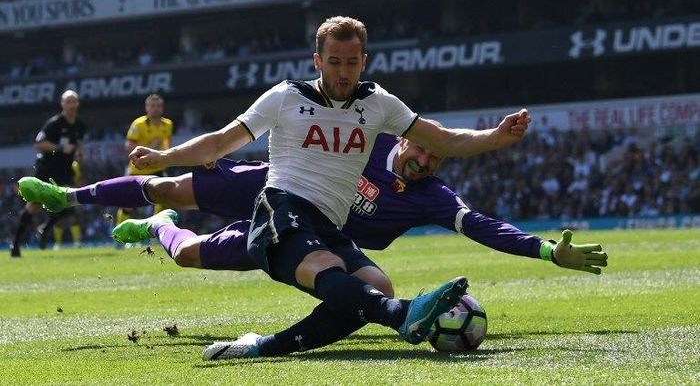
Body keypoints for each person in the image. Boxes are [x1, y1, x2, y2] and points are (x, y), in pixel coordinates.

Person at [21, 16, 529, 354]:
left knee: (374, 285)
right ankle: (402, 319)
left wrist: (494, 137)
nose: (344, 71)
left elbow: (442, 138)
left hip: (328, 222)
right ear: (318, 61)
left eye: (353, 62)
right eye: (335, 62)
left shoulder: (379, 104)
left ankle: (264, 346)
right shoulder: (286, 97)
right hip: (279, 207)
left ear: (364, 62)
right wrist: (163, 158)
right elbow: (221, 141)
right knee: (323, 267)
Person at [19, 131, 608, 358]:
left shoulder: (434, 197)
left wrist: (547, 251)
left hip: (308, 237)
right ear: (411, 139)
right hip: (275, 187)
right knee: (169, 184)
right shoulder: (374, 138)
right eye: (423, 149)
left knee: (187, 253)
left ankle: (159, 229)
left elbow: (483, 226)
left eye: (436, 158)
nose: (424, 159)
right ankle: (68, 195)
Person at [10, 90, 86, 257]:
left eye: (74, 101)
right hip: (46, 168)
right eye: (68, 101)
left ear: (77, 104)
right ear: (62, 103)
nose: (71, 105)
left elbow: (78, 143)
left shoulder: (80, 125)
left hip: (65, 170)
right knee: (33, 206)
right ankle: (15, 244)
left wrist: (80, 153)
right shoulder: (54, 123)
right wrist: (59, 148)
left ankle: (45, 228)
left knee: (67, 203)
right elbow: (39, 144)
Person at [115, 93, 173, 225]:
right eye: (152, 106)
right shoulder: (139, 124)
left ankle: (154, 231)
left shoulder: (167, 124)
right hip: (138, 169)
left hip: (158, 168)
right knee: (127, 204)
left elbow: (169, 146)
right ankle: (120, 238)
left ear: (162, 107)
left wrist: (165, 156)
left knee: (164, 199)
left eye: (158, 106)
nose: (155, 108)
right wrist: (149, 148)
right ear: (147, 108)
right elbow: (128, 146)